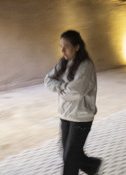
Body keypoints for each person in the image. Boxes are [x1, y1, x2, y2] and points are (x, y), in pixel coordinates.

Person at [44, 30, 101, 175]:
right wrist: (62, 87)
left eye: (66, 46)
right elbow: (47, 80)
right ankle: (92, 166)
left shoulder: (85, 66)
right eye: (61, 46)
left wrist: (60, 88)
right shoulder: (63, 63)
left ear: (77, 46)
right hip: (65, 115)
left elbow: (76, 93)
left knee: (70, 158)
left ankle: (92, 166)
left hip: (81, 118)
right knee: (67, 154)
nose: (62, 50)